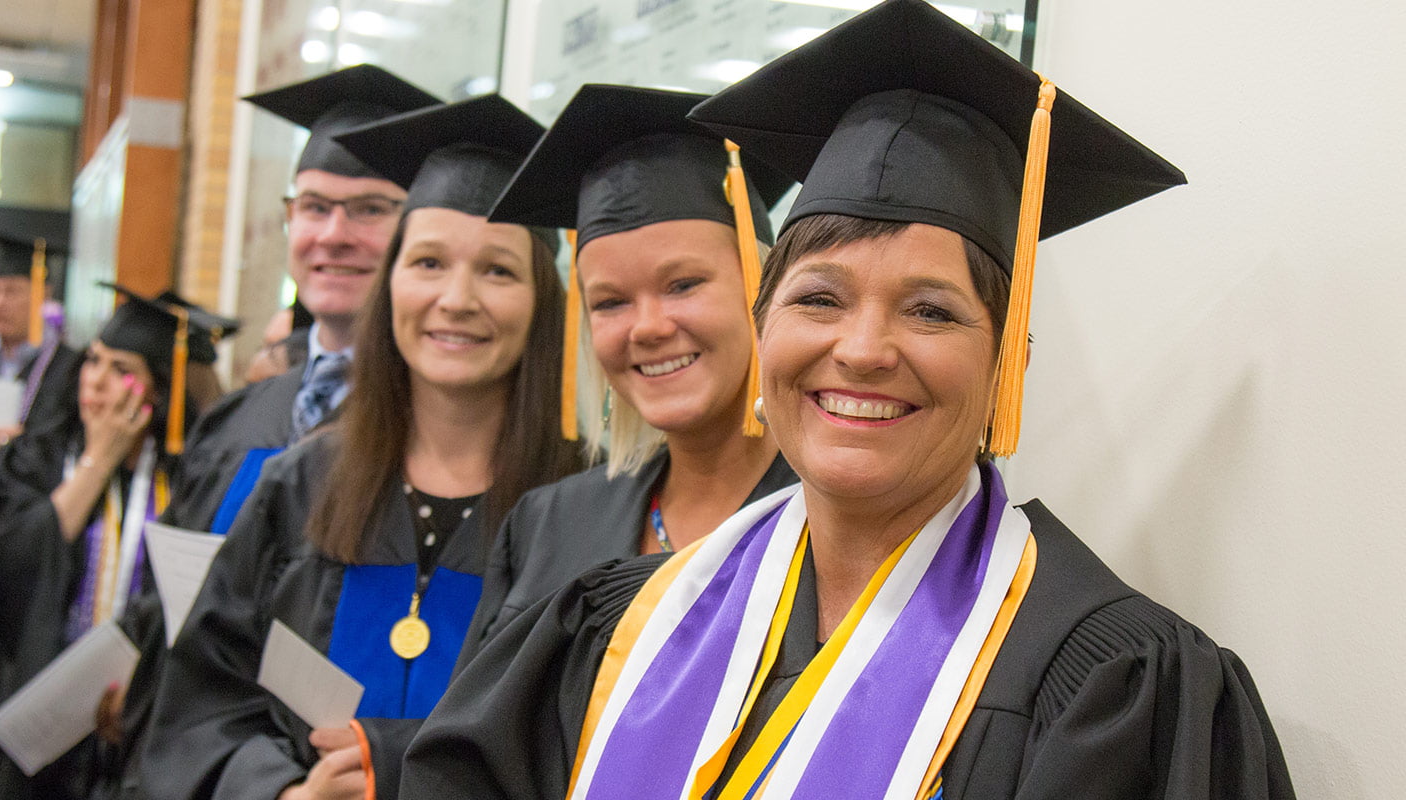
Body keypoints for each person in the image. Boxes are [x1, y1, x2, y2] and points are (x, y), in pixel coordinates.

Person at [399, 3, 1296, 798]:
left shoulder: (1113, 688)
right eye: (819, 299)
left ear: (1005, 360)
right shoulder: (614, 630)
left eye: (931, 311)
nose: (862, 350)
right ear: (764, 330)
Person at [140, 94, 580, 800]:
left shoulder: (582, 511)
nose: (456, 298)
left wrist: (390, 764)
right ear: (392, 284)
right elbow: (199, 707)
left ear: (543, 301)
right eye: (429, 262)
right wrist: (282, 794)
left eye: (498, 270)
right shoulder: (300, 483)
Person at [454, 85, 798, 667]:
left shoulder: (841, 518)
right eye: (610, 302)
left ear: (760, 286)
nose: (647, 327)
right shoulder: (548, 526)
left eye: (683, 285)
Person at [0, 284, 232, 800]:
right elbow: (0, 562)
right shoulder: (40, 455)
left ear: (159, 388)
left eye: (122, 369)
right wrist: (97, 463)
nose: (97, 382)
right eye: (93, 361)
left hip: (137, 720)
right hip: (36, 709)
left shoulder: (187, 480)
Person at [164, 64, 438, 535]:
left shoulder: (440, 432)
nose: (333, 235)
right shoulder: (235, 418)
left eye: (369, 209)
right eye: (314, 207)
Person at [0, 234, 78, 465]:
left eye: (11, 292)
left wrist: (26, 445)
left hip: (32, 492)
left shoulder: (71, 368)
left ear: (43, 294)